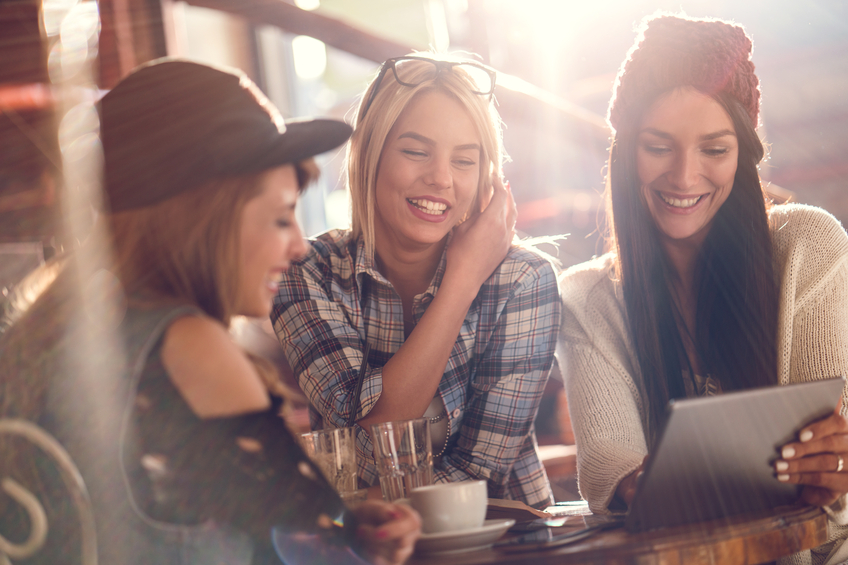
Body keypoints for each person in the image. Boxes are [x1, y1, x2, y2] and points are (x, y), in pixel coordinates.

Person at [0, 59, 419, 565]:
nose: (297, 247)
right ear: (208, 215)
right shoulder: (188, 343)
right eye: (281, 217)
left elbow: (249, 517)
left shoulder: (57, 330)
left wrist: (344, 526)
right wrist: (347, 540)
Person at [558, 13, 848, 564]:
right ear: (625, 155)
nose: (685, 176)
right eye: (658, 146)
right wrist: (636, 484)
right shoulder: (587, 298)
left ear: (742, 157)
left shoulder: (809, 245)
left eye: (714, 149)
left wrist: (832, 468)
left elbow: (829, 463)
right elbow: (609, 463)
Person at [272, 54, 560, 508]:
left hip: (505, 549)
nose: (441, 178)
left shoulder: (522, 279)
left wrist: (466, 273)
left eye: (465, 160)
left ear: (489, 178)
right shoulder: (309, 271)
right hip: (369, 553)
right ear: (370, 152)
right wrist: (462, 282)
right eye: (415, 151)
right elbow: (369, 423)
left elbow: (480, 475)